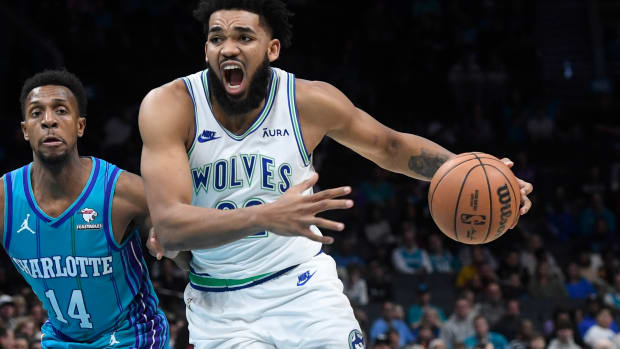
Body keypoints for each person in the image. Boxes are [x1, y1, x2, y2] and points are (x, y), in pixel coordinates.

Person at [138, 0, 533, 347]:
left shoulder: (307, 101)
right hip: (219, 301)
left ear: (272, 49)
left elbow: (390, 147)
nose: (227, 48)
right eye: (216, 38)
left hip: (301, 284)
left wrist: (476, 174)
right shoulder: (170, 106)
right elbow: (170, 228)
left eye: (243, 37)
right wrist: (264, 216)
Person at [1, 70, 174, 348]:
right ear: (24, 130)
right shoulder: (5, 200)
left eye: (60, 110)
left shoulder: (124, 191)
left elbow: (182, 238)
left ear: (80, 126)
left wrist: (169, 238)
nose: (48, 121)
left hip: (134, 338)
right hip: (61, 340)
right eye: (36, 113)